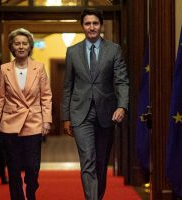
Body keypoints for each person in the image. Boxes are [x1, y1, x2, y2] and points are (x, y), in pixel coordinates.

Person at [61, 8, 129, 200]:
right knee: (88, 160)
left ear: (101, 25)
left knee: (100, 162)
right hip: (80, 114)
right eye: (87, 23)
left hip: (107, 113)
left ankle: (96, 197)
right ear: (82, 26)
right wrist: (65, 117)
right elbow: (67, 86)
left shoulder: (114, 49)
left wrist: (122, 106)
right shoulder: (72, 52)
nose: (91, 27)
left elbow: (122, 81)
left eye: (95, 23)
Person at [0, 28, 52, 200]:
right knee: (14, 168)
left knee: (33, 167)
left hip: (33, 123)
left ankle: (31, 191)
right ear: (12, 47)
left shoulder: (39, 68)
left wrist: (47, 121)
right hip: (10, 125)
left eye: (25, 43)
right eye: (17, 43)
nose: (21, 46)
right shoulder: (4, 69)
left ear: (30, 46)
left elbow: (46, 96)